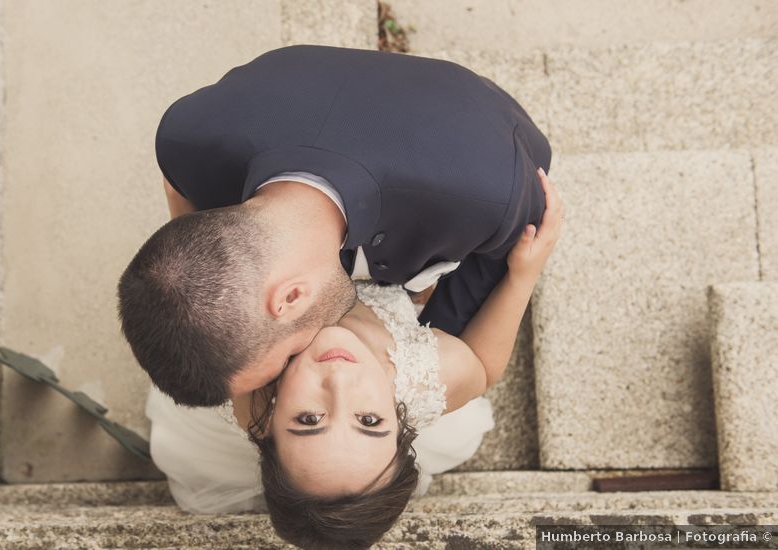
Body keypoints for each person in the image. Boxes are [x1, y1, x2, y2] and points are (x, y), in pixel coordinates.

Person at [146, 169, 562, 549]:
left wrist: (186, 214)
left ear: (267, 422)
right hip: (384, 287)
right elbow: (484, 365)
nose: (340, 383)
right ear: (401, 421)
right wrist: (524, 275)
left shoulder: (252, 392)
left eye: (308, 419)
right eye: (369, 421)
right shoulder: (423, 379)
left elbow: (204, 300)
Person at [118, 44, 551, 408]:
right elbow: (181, 199)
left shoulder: (490, 193)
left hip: (469, 122)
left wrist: (427, 344)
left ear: (290, 295)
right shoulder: (185, 137)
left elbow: (491, 277)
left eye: (288, 355)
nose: (299, 361)